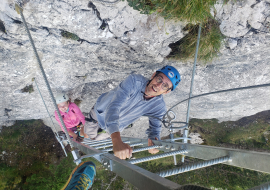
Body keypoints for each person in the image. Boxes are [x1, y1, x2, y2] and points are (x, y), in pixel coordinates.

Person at [83, 65, 181, 159]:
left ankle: (85, 134)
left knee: (94, 139)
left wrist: (154, 142)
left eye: (164, 86)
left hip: (113, 129)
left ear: (166, 91)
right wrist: (116, 140)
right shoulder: (134, 81)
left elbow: (155, 130)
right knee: (87, 133)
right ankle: (82, 131)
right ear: (153, 75)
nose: (158, 85)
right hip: (99, 116)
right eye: (159, 79)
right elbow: (114, 106)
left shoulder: (158, 107)